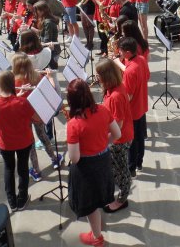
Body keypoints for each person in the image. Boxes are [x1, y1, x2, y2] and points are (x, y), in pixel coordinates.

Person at [66, 79, 121, 247]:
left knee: (90, 206)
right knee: (98, 199)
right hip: (103, 161)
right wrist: (103, 143)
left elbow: (74, 158)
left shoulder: (73, 124)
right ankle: (96, 230)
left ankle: (97, 238)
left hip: (86, 168)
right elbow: (117, 134)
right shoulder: (103, 110)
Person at [11, 53, 63, 182]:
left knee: (30, 143)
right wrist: (50, 77)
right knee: (43, 136)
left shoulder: (13, 81)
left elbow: (11, 99)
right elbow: (50, 90)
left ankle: (36, 171)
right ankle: (54, 158)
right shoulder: (37, 76)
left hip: (23, 116)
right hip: (37, 113)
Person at [0, 70, 36, 211]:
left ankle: (12, 201)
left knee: (8, 169)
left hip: (5, 143)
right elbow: (31, 116)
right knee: (22, 169)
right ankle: (22, 199)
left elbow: (5, 106)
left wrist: (16, 97)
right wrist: (20, 97)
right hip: (23, 141)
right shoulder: (22, 103)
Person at [96, 59, 133, 214]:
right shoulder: (113, 90)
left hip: (120, 139)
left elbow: (118, 124)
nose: (97, 78)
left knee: (121, 170)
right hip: (117, 137)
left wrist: (103, 139)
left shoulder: (116, 96)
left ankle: (122, 199)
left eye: (99, 75)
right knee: (114, 167)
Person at [117, 37, 149, 177]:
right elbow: (146, 76)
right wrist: (119, 62)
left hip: (133, 110)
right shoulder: (141, 59)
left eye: (121, 51)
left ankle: (131, 168)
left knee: (132, 141)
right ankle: (140, 162)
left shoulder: (129, 72)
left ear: (128, 52)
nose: (119, 52)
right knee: (141, 137)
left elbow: (128, 96)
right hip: (142, 105)